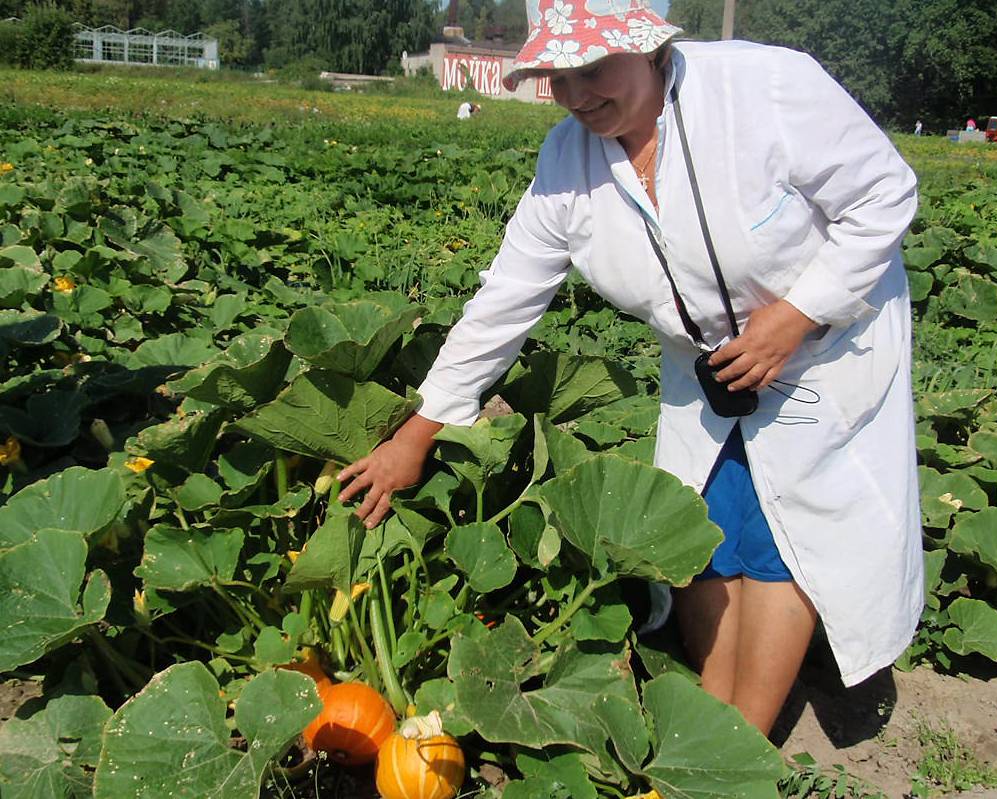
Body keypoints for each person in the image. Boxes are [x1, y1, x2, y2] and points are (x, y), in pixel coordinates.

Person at [338, 0, 923, 739]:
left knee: (788, 528)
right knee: (703, 516)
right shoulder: (566, 161)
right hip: (704, 361)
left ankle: (738, 746)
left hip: (823, 344)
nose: (577, 94)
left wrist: (798, 314)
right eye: (557, 75)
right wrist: (416, 434)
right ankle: (706, 717)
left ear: (649, 47)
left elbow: (885, 194)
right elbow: (505, 302)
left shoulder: (766, 89)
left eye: (592, 69)